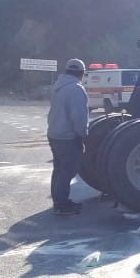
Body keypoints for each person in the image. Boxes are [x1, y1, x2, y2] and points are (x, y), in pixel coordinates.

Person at [46, 58, 89, 215]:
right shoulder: (76, 89)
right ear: (82, 73)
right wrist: (82, 134)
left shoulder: (57, 86)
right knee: (68, 170)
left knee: (58, 169)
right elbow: (79, 116)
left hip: (54, 133)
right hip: (68, 136)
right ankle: (62, 204)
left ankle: (59, 201)